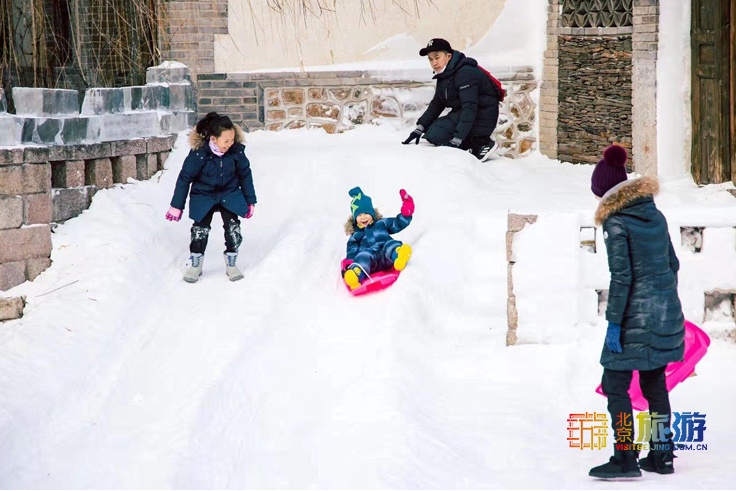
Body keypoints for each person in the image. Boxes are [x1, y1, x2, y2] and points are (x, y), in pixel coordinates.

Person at [588, 144, 685, 479]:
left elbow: (623, 276)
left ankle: (625, 458)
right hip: (664, 313)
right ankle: (662, 455)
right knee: (654, 382)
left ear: (605, 193)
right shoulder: (654, 213)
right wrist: (663, 303)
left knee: (615, 384)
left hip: (633, 318)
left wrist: (615, 322)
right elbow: (673, 264)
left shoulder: (616, 223)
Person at [166, 112, 257, 283]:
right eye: (226, 141)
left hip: (228, 193)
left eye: (232, 140)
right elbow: (185, 178)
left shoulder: (236, 152)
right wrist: (176, 205)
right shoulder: (199, 154)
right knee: (200, 229)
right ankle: (196, 265)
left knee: (232, 228)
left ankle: (231, 263)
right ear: (214, 139)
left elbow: (245, 174)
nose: (230, 144)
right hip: (204, 195)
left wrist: (250, 200)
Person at [402, 37, 501, 162]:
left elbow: (469, 107)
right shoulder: (445, 74)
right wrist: (420, 128)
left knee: (440, 135)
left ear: (448, 56)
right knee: (434, 133)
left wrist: (457, 140)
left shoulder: (465, 73)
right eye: (430, 59)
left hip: (483, 115)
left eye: (437, 57)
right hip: (465, 112)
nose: (434, 63)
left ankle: (482, 143)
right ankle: (470, 144)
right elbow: (437, 103)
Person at [342, 187, 414, 290]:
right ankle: (356, 274)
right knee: (362, 256)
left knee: (390, 245)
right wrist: (349, 263)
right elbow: (351, 250)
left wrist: (406, 215)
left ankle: (399, 255)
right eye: (359, 215)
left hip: (386, 255)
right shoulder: (356, 235)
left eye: (366, 213)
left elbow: (396, 224)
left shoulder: (381, 223)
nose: (363, 217)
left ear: (372, 213)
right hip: (371, 263)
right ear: (354, 218)